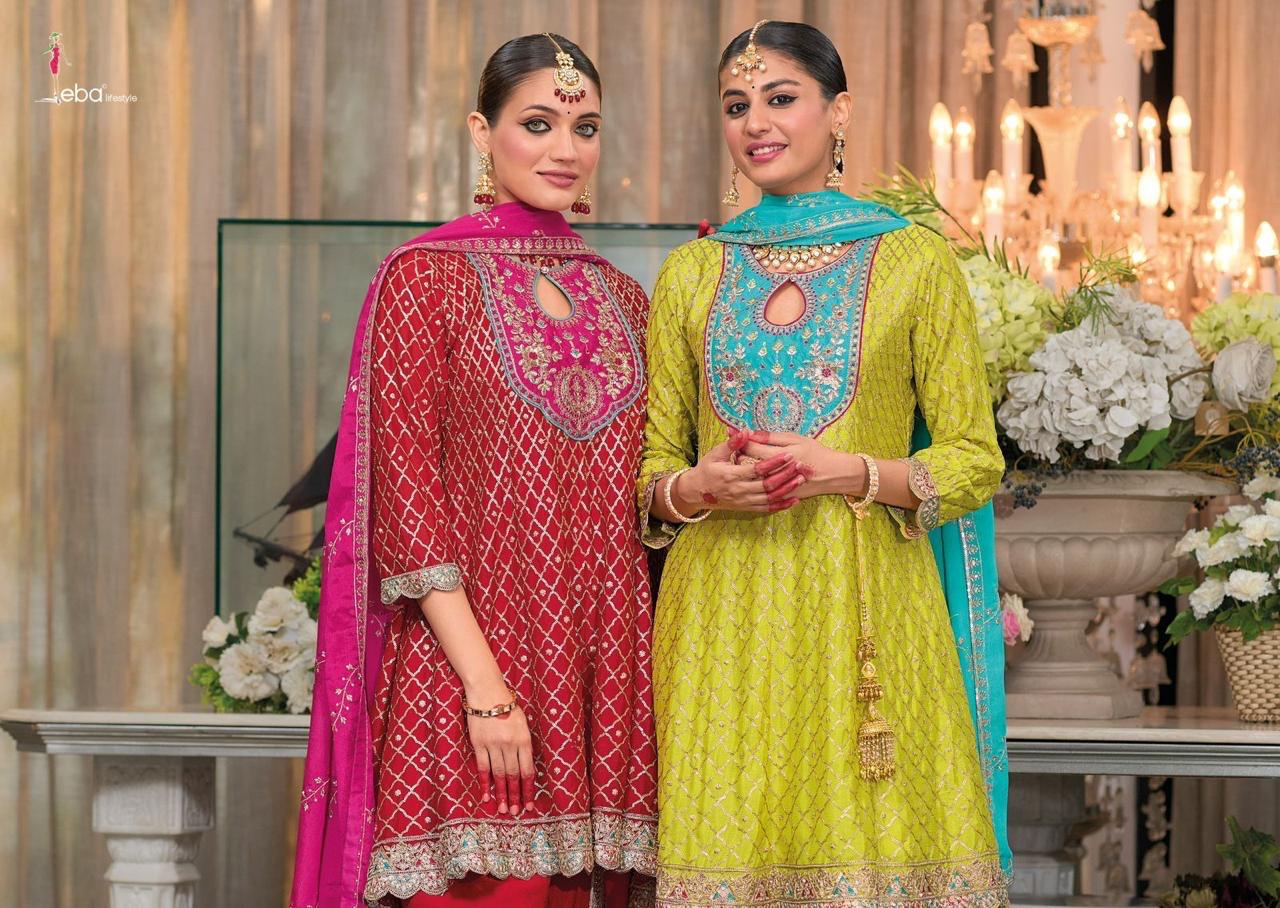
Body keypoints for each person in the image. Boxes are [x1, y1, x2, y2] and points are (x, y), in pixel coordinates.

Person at [637, 20, 1011, 907]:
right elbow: (653, 466)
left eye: (781, 98)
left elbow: (973, 458)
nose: (756, 123)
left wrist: (850, 473)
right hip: (719, 613)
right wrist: (695, 488)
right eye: (737, 105)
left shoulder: (914, 260)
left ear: (838, 112)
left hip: (866, 605)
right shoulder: (691, 273)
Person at [291, 33, 657, 908]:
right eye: (537, 123)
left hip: (605, 686)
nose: (565, 149)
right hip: (468, 677)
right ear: (481, 132)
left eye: (585, 127)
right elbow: (408, 499)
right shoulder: (423, 280)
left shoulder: (624, 296)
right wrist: (487, 691)